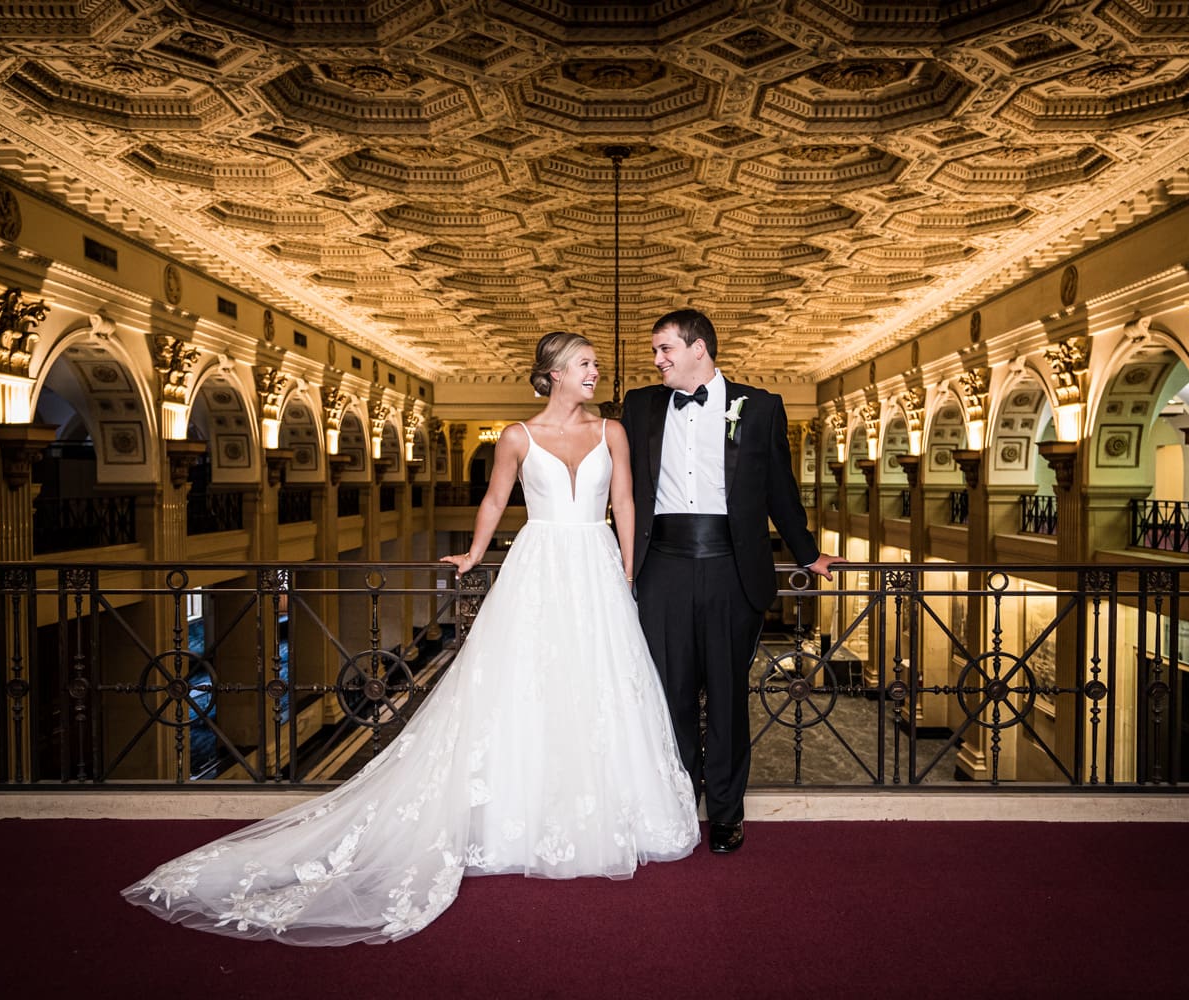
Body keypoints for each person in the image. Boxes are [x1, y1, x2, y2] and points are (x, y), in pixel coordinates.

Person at [123, 332, 698, 946]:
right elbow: (496, 498)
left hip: (596, 566)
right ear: (554, 373)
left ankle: (600, 812)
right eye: (585, 364)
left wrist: (626, 569)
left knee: (600, 686)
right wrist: (475, 553)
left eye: (594, 365)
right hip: (540, 566)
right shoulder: (516, 437)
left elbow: (626, 501)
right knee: (524, 686)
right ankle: (517, 817)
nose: (595, 372)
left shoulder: (612, 432)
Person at [621, 308, 835, 854]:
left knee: (726, 697)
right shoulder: (640, 405)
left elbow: (779, 489)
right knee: (669, 698)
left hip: (732, 569)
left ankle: (726, 813)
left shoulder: (759, 407)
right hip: (662, 568)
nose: (657, 360)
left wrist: (807, 552)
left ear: (699, 349)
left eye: (664, 348)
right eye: (654, 351)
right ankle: (674, 807)